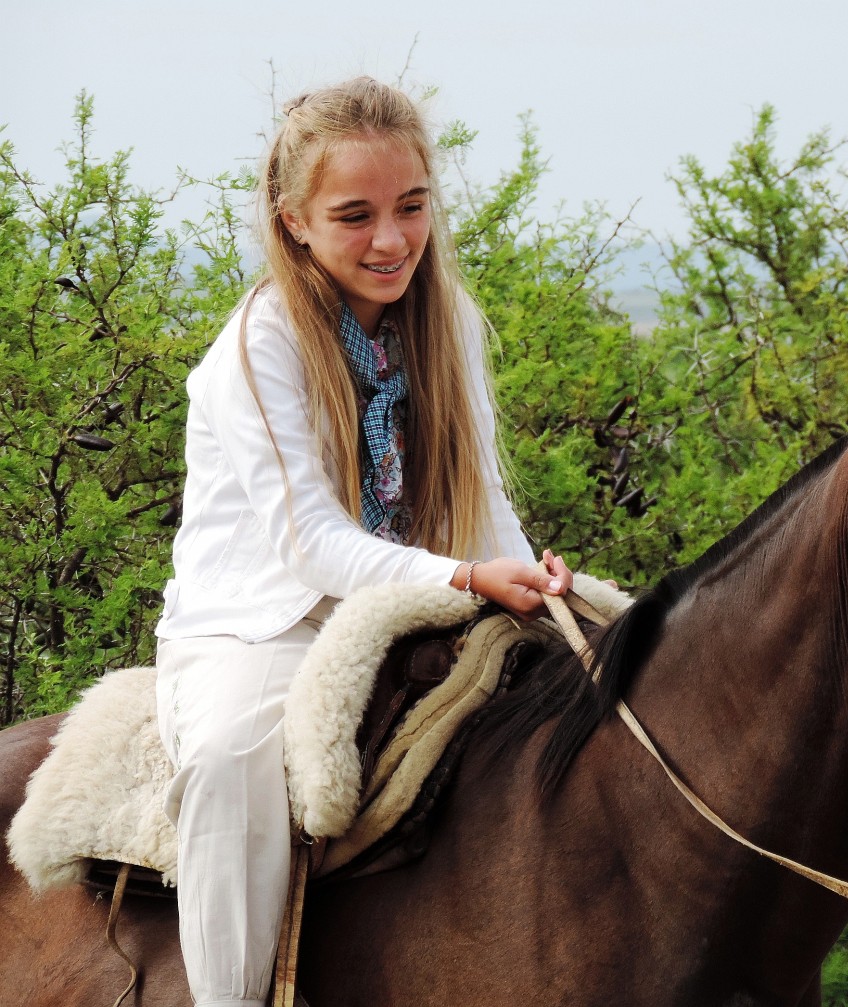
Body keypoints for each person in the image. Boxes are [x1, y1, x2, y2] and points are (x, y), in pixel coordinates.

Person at [153, 76, 572, 1007]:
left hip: (414, 591)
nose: (393, 241)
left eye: (411, 206)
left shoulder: (447, 318)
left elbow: (482, 494)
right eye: (356, 215)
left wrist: (534, 573)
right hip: (267, 620)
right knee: (231, 761)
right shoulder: (261, 343)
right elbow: (314, 546)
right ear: (294, 220)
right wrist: (466, 575)